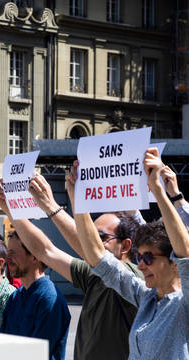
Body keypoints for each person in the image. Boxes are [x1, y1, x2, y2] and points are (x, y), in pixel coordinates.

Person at [0, 173, 142, 360]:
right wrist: (12, 212)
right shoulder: (92, 276)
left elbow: (92, 251)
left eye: (101, 238)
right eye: (91, 236)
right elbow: (45, 251)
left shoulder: (136, 279)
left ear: (126, 246)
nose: (94, 242)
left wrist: (50, 205)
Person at [74, 148, 188, 360]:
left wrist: (158, 189)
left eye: (148, 258)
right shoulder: (146, 297)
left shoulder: (184, 304)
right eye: (139, 257)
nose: (141, 265)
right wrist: (78, 201)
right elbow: (100, 261)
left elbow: (184, 252)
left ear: (174, 263)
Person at [0, 231, 70, 360]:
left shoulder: (49, 298)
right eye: (7, 253)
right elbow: (2, 343)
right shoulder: (15, 297)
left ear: (35, 256)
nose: (7, 259)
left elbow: (36, 353)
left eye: (13, 253)